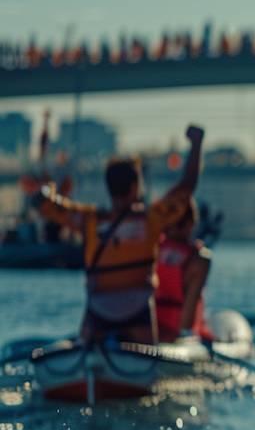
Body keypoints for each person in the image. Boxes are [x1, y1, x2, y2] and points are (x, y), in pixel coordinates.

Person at [32, 126, 205, 345]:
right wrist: (197, 144)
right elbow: (186, 187)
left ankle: (87, 363)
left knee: (86, 348)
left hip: (98, 313)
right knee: (145, 359)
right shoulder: (151, 219)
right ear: (134, 187)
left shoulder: (89, 220)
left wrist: (46, 191)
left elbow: (46, 205)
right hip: (138, 314)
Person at [155, 201, 213, 342]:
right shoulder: (199, 259)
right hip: (178, 335)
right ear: (191, 223)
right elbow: (186, 324)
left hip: (146, 330)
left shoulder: (151, 248)